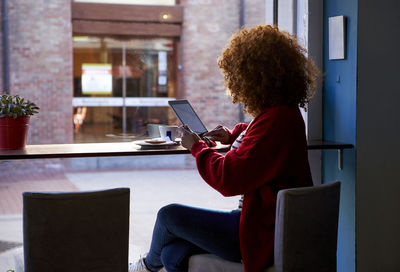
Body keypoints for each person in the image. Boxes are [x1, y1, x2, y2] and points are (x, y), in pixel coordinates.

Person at [129, 24, 320, 272]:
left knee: (169, 216)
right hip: (261, 223)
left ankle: (143, 268)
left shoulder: (277, 120)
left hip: (258, 231)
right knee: (172, 253)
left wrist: (197, 147)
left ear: (254, 77)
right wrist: (233, 134)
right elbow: (257, 138)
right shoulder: (280, 114)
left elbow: (228, 179)